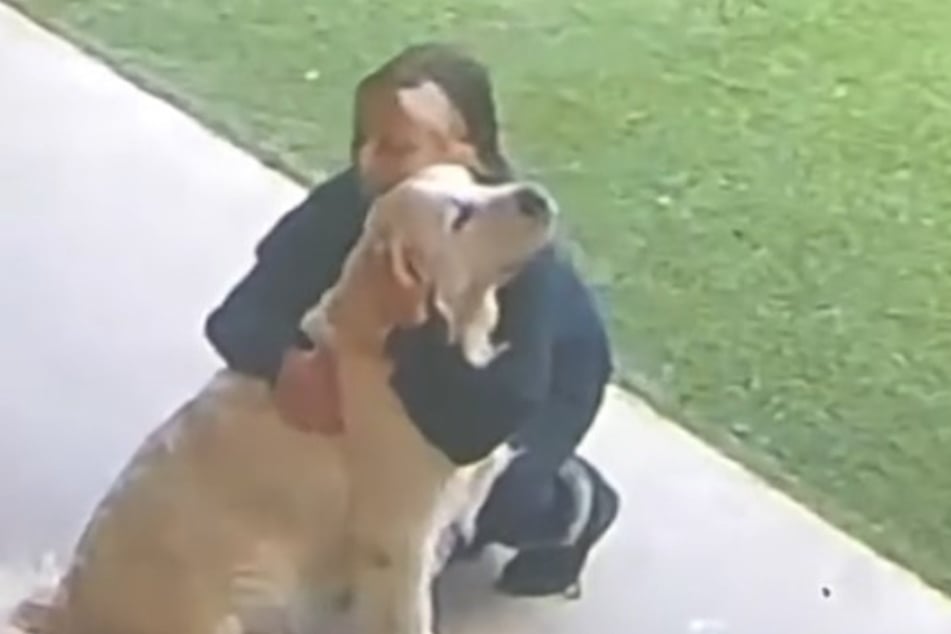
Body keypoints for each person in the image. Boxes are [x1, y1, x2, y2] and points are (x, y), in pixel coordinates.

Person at [205, 43, 619, 598]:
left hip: (529, 392)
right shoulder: (356, 201)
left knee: (476, 506)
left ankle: (575, 504)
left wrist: (416, 332)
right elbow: (237, 317)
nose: (371, 161)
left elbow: (476, 429)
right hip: (420, 379)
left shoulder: (516, 249)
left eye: (399, 146)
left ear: (468, 153)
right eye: (364, 141)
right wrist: (284, 366)